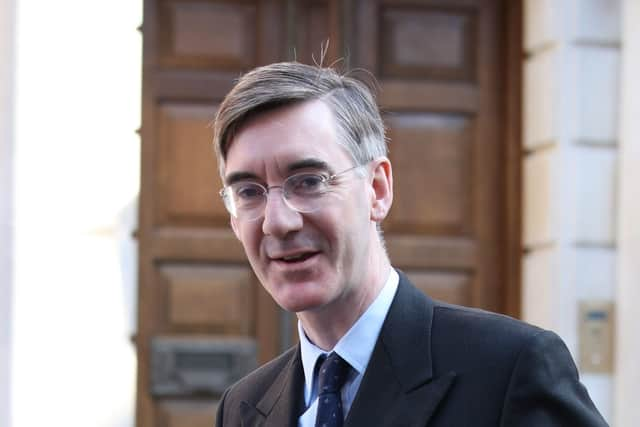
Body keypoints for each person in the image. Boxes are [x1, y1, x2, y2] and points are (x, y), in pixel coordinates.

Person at [212, 62, 607, 427]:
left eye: (309, 181)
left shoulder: (509, 368)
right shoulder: (243, 407)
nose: (278, 222)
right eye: (249, 192)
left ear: (377, 189)